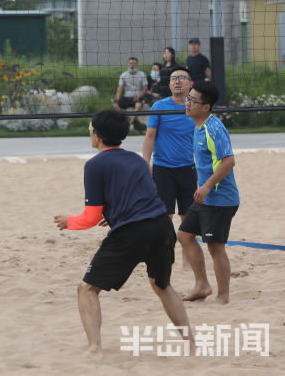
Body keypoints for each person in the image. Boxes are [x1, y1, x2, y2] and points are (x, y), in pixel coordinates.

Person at [53, 109, 193, 359]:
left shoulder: (95, 164)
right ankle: (191, 344)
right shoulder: (138, 160)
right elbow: (142, 197)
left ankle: (95, 349)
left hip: (132, 232)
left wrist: (68, 222)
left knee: (86, 289)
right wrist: (115, 212)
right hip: (161, 227)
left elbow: (90, 218)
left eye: (90, 128)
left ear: (96, 137)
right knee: (162, 285)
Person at [179, 81, 239, 304]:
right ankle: (202, 285)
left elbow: (229, 161)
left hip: (220, 199)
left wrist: (206, 185)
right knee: (184, 235)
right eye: (188, 98)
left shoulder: (213, 128)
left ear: (206, 107)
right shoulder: (199, 125)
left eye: (192, 100)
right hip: (206, 197)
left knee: (215, 247)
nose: (187, 103)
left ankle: (223, 296)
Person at [142, 66, 197, 268]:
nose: (177, 81)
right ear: (169, 84)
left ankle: (186, 258)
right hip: (163, 168)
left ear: (190, 83)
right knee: (165, 216)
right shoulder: (159, 106)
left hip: (188, 168)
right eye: (174, 78)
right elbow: (149, 136)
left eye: (182, 77)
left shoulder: (195, 106)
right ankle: (165, 255)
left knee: (188, 216)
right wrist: (145, 162)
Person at [112, 57, 147, 132]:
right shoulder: (123, 75)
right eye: (130, 63)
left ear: (137, 65)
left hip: (137, 97)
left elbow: (145, 89)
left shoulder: (142, 74)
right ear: (128, 65)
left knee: (138, 105)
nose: (132, 65)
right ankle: (127, 119)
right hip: (126, 97)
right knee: (115, 105)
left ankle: (129, 124)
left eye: (134, 64)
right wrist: (117, 97)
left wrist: (138, 96)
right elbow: (120, 88)